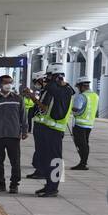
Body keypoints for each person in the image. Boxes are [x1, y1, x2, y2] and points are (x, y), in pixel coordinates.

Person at [31, 66, 76, 197]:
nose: (47, 79)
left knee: (55, 159)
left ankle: (53, 188)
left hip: (54, 130)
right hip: (49, 129)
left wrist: (53, 80)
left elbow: (51, 89)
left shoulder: (62, 90)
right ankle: (49, 185)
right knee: (47, 158)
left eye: (49, 76)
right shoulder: (64, 89)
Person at [70, 75, 98, 170]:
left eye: (78, 87)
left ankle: (83, 163)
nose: (78, 89)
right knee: (85, 143)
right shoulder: (95, 96)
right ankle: (84, 162)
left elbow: (76, 108)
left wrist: (70, 108)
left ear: (82, 86)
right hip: (89, 124)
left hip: (79, 124)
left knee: (80, 144)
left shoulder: (81, 96)